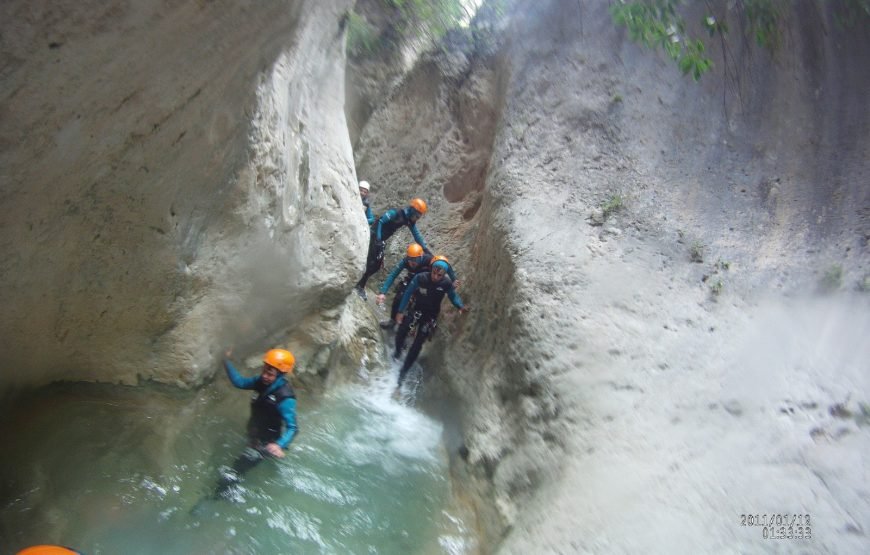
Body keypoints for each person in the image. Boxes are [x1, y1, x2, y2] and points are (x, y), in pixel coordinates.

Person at [216, 348, 298, 498]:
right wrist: (225, 360)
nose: (265, 376)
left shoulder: (285, 398)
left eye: (270, 374)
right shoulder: (260, 382)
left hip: (266, 442)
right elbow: (239, 382)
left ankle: (216, 498)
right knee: (244, 463)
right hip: (254, 435)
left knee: (236, 469)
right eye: (265, 370)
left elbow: (293, 427)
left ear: (280, 375)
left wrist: (279, 444)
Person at [393, 260, 468, 387]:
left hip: (430, 316)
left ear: (444, 275)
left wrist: (460, 306)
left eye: (439, 275)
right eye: (434, 273)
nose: (435, 277)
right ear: (431, 270)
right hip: (416, 310)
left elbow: (452, 296)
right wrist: (400, 311)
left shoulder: (446, 283)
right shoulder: (421, 278)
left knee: (416, 346)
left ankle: (403, 373)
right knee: (401, 331)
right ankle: (397, 352)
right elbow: (408, 293)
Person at [354, 198, 431, 300]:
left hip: (381, 240)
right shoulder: (396, 213)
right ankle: (359, 285)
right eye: (417, 216)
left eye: (419, 217)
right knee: (373, 262)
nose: (417, 218)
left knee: (377, 265)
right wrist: (378, 239)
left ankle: (359, 283)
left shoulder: (409, 220)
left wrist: (426, 250)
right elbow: (380, 221)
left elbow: (416, 235)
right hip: (374, 235)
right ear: (412, 210)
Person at [376, 247, 457, 330]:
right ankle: (393, 321)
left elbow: (446, 266)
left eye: (415, 260)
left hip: (425, 283)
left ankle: (411, 328)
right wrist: (383, 292)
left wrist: (454, 279)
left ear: (421, 256)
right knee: (399, 297)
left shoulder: (429, 260)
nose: (412, 263)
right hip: (411, 279)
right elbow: (393, 275)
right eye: (410, 260)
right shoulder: (405, 261)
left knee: (422, 303)